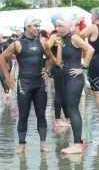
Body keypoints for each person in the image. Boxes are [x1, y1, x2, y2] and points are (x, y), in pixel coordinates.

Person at [0, 16, 54, 154]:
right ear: (27, 27)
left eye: (38, 25)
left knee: (41, 114)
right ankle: (21, 145)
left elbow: (50, 58)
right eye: (35, 25)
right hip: (24, 84)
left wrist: (47, 70)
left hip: (40, 84)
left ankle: (43, 143)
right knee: (23, 115)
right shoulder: (17, 44)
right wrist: (7, 76)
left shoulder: (42, 42)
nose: (38, 28)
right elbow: (2, 57)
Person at [55, 15, 94, 153]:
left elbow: (90, 50)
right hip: (67, 78)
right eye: (56, 26)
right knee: (71, 109)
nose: (57, 28)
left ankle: (77, 144)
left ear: (67, 26)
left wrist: (83, 67)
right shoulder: (64, 40)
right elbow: (59, 62)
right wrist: (59, 44)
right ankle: (78, 142)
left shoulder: (74, 37)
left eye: (59, 26)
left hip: (75, 79)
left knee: (73, 109)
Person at [74, 7, 99, 126]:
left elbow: (77, 36)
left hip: (96, 63)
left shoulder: (93, 27)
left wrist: (77, 23)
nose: (90, 18)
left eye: (91, 16)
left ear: (95, 17)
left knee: (97, 95)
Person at [47, 14, 70, 126]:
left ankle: (67, 117)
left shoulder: (63, 36)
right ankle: (57, 119)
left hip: (64, 67)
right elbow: (45, 48)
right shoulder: (54, 36)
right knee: (59, 93)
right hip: (58, 68)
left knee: (64, 93)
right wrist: (55, 59)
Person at [0, 33, 9, 99]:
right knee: (2, 77)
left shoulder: (6, 44)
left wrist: (8, 64)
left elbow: (9, 55)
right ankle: (6, 91)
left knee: (3, 76)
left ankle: (6, 91)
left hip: (6, 63)